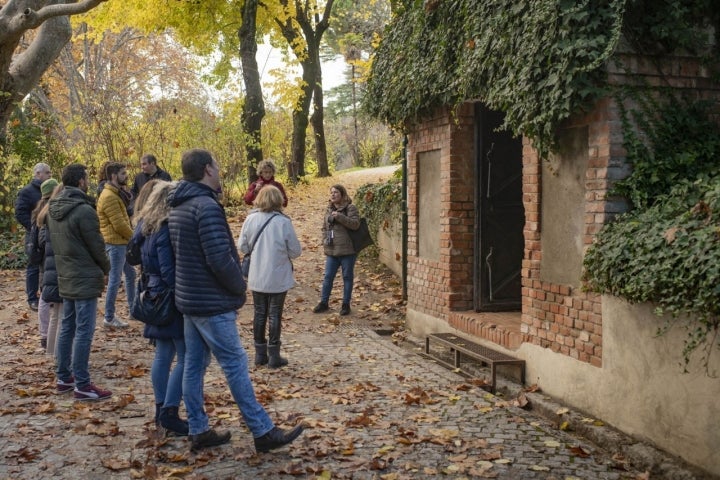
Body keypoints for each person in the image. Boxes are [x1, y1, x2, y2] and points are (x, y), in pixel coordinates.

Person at [168, 148, 303, 453]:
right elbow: (219, 258)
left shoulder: (177, 205)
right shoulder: (206, 206)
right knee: (235, 364)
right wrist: (239, 288)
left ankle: (198, 429)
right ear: (206, 169)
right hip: (210, 302)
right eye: (216, 165)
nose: (220, 170)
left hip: (189, 299)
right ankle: (262, 431)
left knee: (193, 365)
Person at [48, 163, 112, 401]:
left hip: (66, 274)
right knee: (84, 330)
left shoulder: (52, 207)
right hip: (84, 276)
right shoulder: (84, 210)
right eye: (86, 178)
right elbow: (97, 246)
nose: (89, 181)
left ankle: (64, 377)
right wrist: (107, 268)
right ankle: (82, 384)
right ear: (81, 181)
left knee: (68, 327)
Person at [130, 180, 188, 436]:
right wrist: (183, 296)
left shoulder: (144, 226)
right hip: (168, 298)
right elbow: (168, 271)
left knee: (163, 355)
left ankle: (160, 406)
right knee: (186, 356)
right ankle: (170, 411)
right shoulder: (164, 228)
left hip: (152, 295)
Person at [238, 185, 301, 368]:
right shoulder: (283, 222)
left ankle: (259, 354)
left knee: (259, 313)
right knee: (274, 314)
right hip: (278, 276)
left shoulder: (250, 219)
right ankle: (274, 355)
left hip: (257, 274)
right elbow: (295, 251)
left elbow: (243, 247)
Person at [97, 162, 136, 329]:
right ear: (113, 176)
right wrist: (136, 238)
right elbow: (119, 224)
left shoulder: (115, 193)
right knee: (114, 279)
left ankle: (133, 309)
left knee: (131, 274)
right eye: (122, 173)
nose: (125, 176)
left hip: (120, 242)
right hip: (115, 243)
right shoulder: (109, 196)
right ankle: (109, 316)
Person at [313, 184, 361, 316]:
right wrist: (324, 239)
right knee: (328, 277)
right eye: (331, 193)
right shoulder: (328, 210)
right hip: (332, 250)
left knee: (347, 277)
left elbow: (355, 224)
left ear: (343, 195)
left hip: (347, 251)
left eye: (336, 192)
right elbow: (324, 227)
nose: (333, 195)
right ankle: (324, 302)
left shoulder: (350, 208)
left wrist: (339, 217)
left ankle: (346, 304)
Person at [15, 162, 52, 311]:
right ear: (38, 174)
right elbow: (20, 213)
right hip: (33, 235)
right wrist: (33, 227)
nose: (50, 175)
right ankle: (32, 298)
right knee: (33, 265)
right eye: (47, 173)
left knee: (46, 265)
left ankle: (46, 296)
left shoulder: (51, 190)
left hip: (47, 234)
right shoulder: (26, 192)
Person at [31, 178, 59, 349]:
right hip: (47, 259)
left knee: (45, 295)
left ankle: (45, 334)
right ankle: (45, 335)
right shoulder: (46, 210)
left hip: (43, 259)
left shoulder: (38, 209)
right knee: (46, 296)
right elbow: (42, 239)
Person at [38, 181, 64, 357]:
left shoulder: (45, 213)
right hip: (56, 268)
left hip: (49, 268)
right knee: (61, 312)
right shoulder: (55, 215)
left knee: (56, 312)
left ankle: (52, 351)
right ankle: (59, 354)